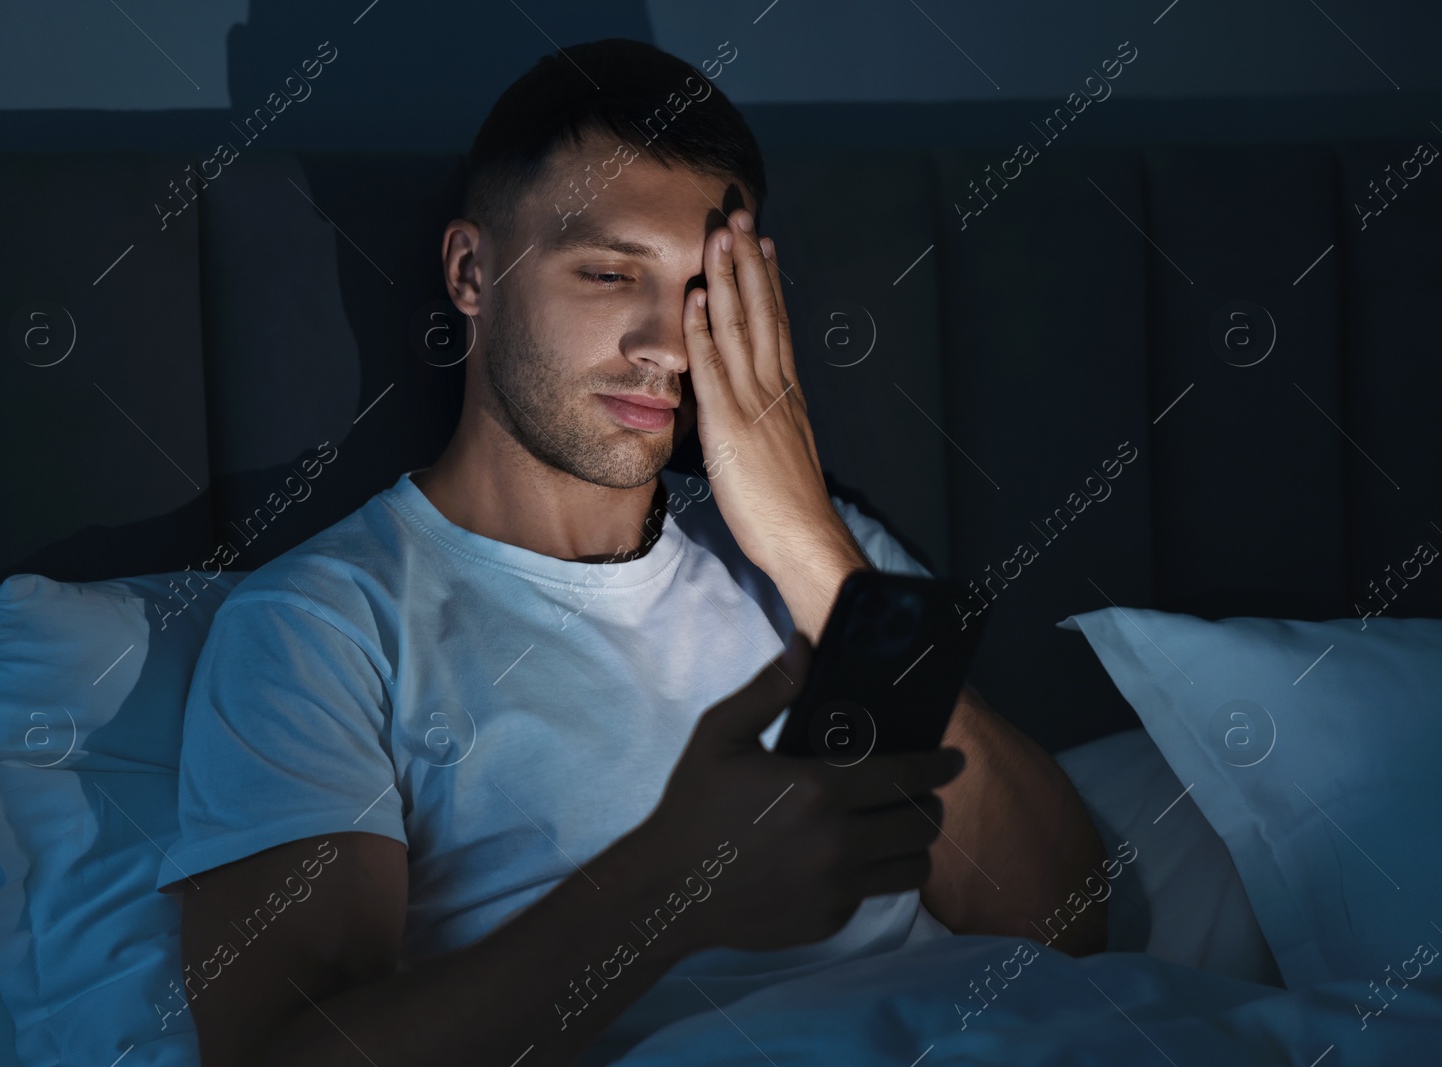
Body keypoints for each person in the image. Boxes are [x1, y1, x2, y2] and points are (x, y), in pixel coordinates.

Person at [155, 37, 1106, 1067]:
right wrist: (673, 886)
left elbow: (1060, 919)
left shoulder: (816, 556)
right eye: (609, 272)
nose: (664, 344)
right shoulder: (323, 629)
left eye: (704, 291)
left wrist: (809, 548)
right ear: (473, 270)